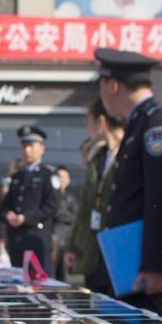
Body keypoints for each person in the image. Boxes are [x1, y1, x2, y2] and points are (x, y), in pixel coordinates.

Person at [94, 49, 162, 316]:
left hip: (144, 269)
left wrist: (157, 265)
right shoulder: (139, 121)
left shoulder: (156, 124)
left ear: (112, 86)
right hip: (128, 261)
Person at [65, 98, 124, 294]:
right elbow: (86, 206)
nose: (87, 127)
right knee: (96, 302)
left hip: (120, 249)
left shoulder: (130, 153)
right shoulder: (98, 157)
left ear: (101, 121)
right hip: (94, 249)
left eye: (88, 121)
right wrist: (73, 245)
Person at [0, 126, 60, 273]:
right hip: (16, 241)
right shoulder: (16, 177)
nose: (27, 150)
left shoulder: (48, 175)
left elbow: (51, 205)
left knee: (39, 282)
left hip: (37, 239)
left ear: (42, 149)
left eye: (31, 146)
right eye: (24, 146)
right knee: (18, 281)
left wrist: (25, 217)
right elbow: (3, 205)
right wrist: (7, 214)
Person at [52, 166, 79, 281]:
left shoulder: (71, 198)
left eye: (65, 177)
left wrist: (63, 215)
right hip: (53, 236)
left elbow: (77, 217)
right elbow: (53, 214)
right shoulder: (50, 196)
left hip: (66, 237)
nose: (62, 180)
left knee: (63, 273)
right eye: (59, 177)